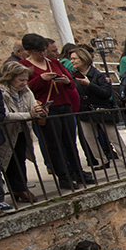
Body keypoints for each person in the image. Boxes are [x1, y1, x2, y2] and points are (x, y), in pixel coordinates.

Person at [20, 33, 88, 190]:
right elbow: (25, 88)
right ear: (30, 50)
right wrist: (41, 79)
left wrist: (65, 81)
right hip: (46, 109)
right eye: (39, 51)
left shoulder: (54, 62)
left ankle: (78, 172)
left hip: (64, 104)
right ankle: (64, 175)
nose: (43, 53)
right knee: (54, 144)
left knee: (70, 141)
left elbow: (71, 82)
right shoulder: (25, 65)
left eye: (43, 50)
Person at [0, 61, 45, 203]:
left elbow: (32, 105)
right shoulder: (2, 92)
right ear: (10, 77)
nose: (25, 83)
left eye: (26, 79)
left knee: (20, 159)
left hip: (21, 130)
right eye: (21, 80)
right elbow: (5, 115)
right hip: (6, 133)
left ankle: (20, 187)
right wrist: (29, 115)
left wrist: (39, 111)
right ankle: (14, 189)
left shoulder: (26, 91)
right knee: (7, 160)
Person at [68, 47, 112, 170]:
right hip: (84, 110)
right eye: (71, 59)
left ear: (83, 59)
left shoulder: (96, 74)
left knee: (113, 136)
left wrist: (89, 84)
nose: (72, 61)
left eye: (74, 58)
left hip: (100, 109)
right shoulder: (73, 76)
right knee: (90, 138)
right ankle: (101, 160)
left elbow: (105, 93)